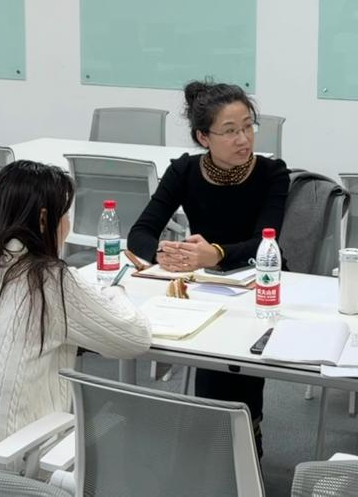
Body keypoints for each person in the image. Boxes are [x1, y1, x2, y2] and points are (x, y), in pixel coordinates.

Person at [0, 160, 152, 464]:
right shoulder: (48, 281)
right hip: (18, 463)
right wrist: (115, 292)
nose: (66, 225)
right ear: (43, 219)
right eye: (64, 216)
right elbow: (134, 338)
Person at [128, 80, 289, 456]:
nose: (243, 139)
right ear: (204, 137)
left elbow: (266, 243)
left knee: (234, 354)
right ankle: (221, 444)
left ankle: (240, 441)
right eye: (230, 131)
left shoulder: (272, 173)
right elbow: (140, 233)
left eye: (248, 126)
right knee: (210, 349)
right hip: (200, 285)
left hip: (257, 283)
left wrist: (214, 254)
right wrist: (165, 254)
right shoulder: (184, 171)